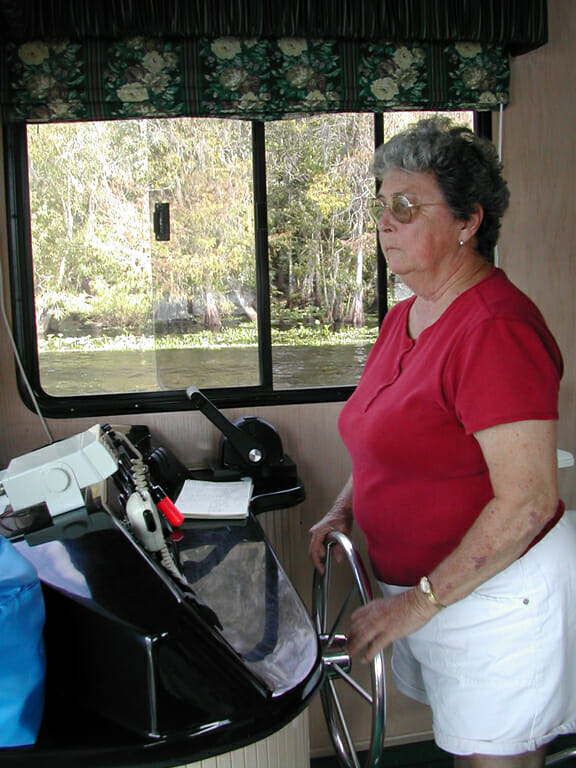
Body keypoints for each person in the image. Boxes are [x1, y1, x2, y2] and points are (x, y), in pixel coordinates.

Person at [309, 117, 576, 767]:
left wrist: (416, 605)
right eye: (381, 207)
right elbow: (383, 434)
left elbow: (530, 503)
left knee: (493, 758)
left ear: (468, 220)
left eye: (406, 206)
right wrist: (344, 506)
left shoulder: (496, 330)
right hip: (429, 592)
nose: (386, 223)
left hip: (495, 597)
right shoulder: (406, 314)